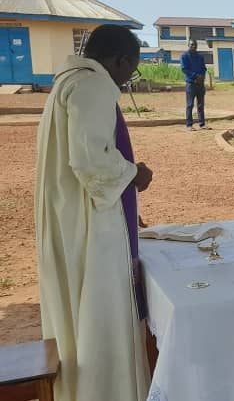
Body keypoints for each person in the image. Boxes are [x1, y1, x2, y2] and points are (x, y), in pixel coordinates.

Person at [36, 24, 152, 401]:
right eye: (131, 68)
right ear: (120, 60)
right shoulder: (94, 85)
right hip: (90, 221)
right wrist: (135, 173)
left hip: (70, 211)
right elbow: (90, 160)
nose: (127, 77)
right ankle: (108, 391)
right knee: (102, 307)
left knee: (79, 311)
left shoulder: (67, 82)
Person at [180, 39, 208, 131]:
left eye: (195, 45)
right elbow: (184, 69)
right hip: (191, 84)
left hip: (200, 84)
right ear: (188, 45)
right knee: (190, 104)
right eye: (192, 44)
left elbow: (204, 68)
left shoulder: (200, 57)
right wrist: (195, 76)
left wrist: (202, 77)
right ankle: (189, 125)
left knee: (201, 105)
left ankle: (202, 124)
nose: (194, 46)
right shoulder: (184, 56)